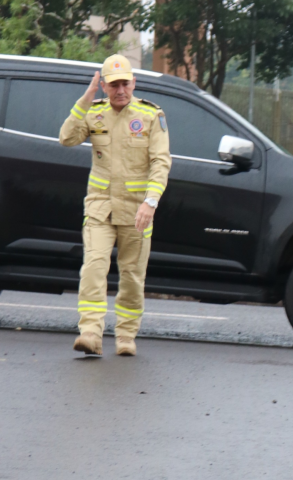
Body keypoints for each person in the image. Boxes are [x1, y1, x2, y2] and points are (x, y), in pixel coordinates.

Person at [59, 54, 172, 356]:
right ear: (105, 87)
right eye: (113, 85)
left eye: (125, 83)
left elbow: (161, 163)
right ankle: (90, 333)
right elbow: (66, 138)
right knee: (94, 267)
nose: (120, 90)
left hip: (137, 211)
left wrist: (150, 202)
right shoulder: (94, 113)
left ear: (134, 82)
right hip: (100, 208)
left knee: (133, 275)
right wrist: (85, 99)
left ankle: (125, 336)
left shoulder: (150, 115)